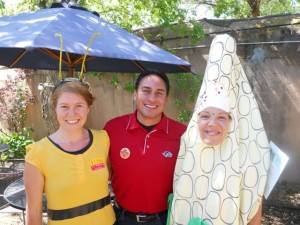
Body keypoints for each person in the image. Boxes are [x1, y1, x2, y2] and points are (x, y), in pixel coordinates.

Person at [169, 34, 270, 225]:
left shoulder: (246, 155)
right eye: (205, 116)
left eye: (222, 117)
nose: (212, 124)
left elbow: (254, 202)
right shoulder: (189, 143)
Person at [24, 78, 116, 225]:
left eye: (79, 105)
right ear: (55, 108)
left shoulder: (103, 140)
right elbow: (34, 212)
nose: (72, 113)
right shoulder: (37, 153)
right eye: (64, 106)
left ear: (88, 108)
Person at [104, 69, 187, 225]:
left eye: (159, 93)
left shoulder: (182, 134)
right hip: (121, 218)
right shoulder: (113, 129)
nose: (152, 98)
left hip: (164, 220)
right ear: (135, 94)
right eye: (146, 91)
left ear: (166, 98)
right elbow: (103, 174)